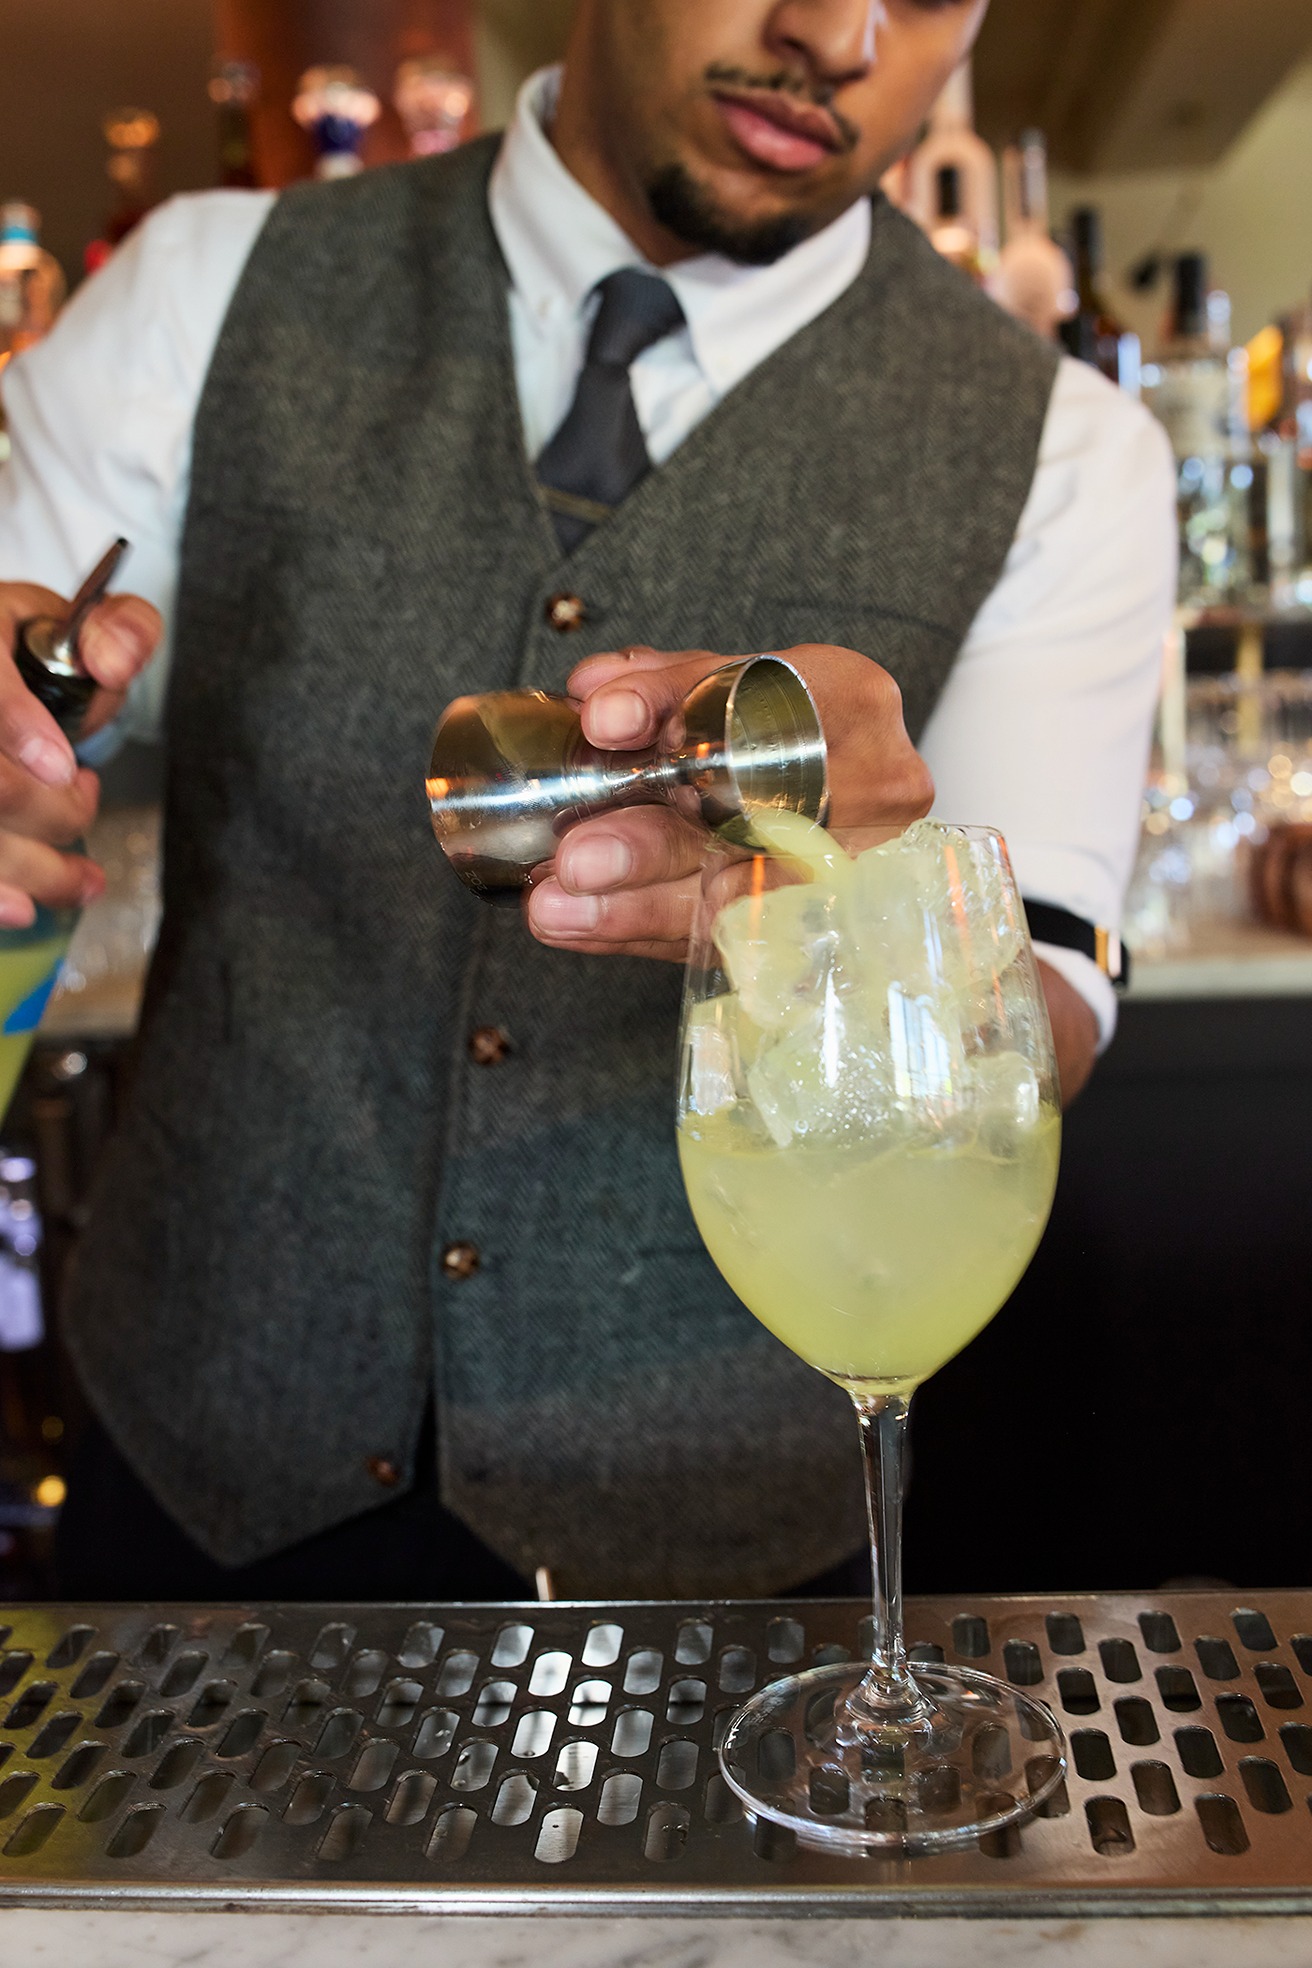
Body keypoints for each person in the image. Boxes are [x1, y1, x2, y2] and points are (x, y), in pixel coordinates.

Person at [0, 0, 1174, 1603]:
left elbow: (1046, 1006)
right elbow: (29, 660)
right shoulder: (206, 288)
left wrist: (882, 903)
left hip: (722, 1530)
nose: (835, 31)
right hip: (195, 1462)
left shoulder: (1065, 454)